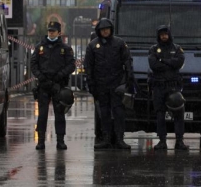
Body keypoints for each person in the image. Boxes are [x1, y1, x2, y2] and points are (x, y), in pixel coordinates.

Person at [84, 18, 134, 150]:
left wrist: (129, 78)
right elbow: (88, 67)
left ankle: (119, 139)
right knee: (104, 113)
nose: (105, 31)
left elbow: (127, 61)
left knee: (119, 113)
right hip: (100, 85)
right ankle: (106, 139)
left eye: (107, 29)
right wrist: (91, 84)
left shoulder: (119, 43)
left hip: (116, 84)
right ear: (98, 31)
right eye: (102, 29)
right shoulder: (93, 45)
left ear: (111, 29)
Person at [30, 21, 76, 151]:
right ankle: (41, 141)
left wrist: (59, 75)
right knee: (42, 114)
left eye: (53, 31)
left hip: (58, 85)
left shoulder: (65, 49)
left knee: (59, 114)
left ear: (59, 32)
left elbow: (71, 65)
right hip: (44, 85)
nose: (51, 33)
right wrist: (41, 77)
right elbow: (33, 64)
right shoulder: (40, 47)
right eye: (49, 31)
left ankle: (60, 141)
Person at [148, 24, 189, 151]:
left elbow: (179, 62)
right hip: (159, 86)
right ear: (158, 36)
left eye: (165, 34)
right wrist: (170, 63)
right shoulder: (153, 49)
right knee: (160, 114)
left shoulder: (177, 49)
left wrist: (163, 61)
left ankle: (180, 141)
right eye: (161, 35)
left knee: (178, 113)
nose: (164, 37)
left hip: (173, 86)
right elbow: (154, 65)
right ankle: (162, 141)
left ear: (169, 35)